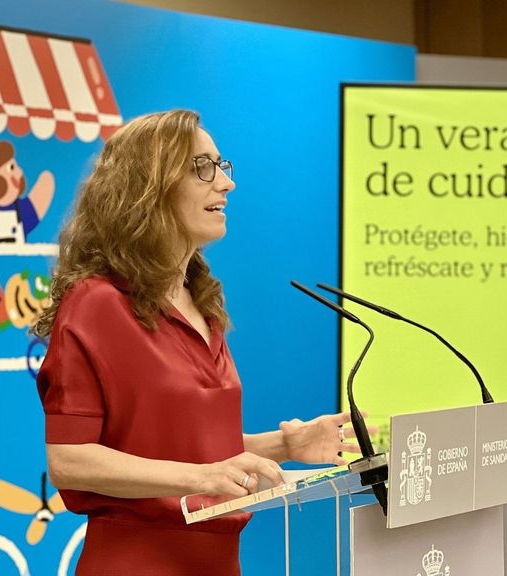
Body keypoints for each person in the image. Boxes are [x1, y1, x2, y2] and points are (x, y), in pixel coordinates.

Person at [32, 110, 365, 575]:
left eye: (221, 166)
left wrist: (286, 445)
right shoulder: (97, 304)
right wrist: (199, 478)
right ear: (149, 187)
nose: (226, 184)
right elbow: (70, 459)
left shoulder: (201, 301)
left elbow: (185, 444)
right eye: (201, 167)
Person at [0, 140, 54, 244]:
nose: (20, 172)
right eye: (12, 167)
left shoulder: (23, 209)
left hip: (20, 261)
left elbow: (46, 181)